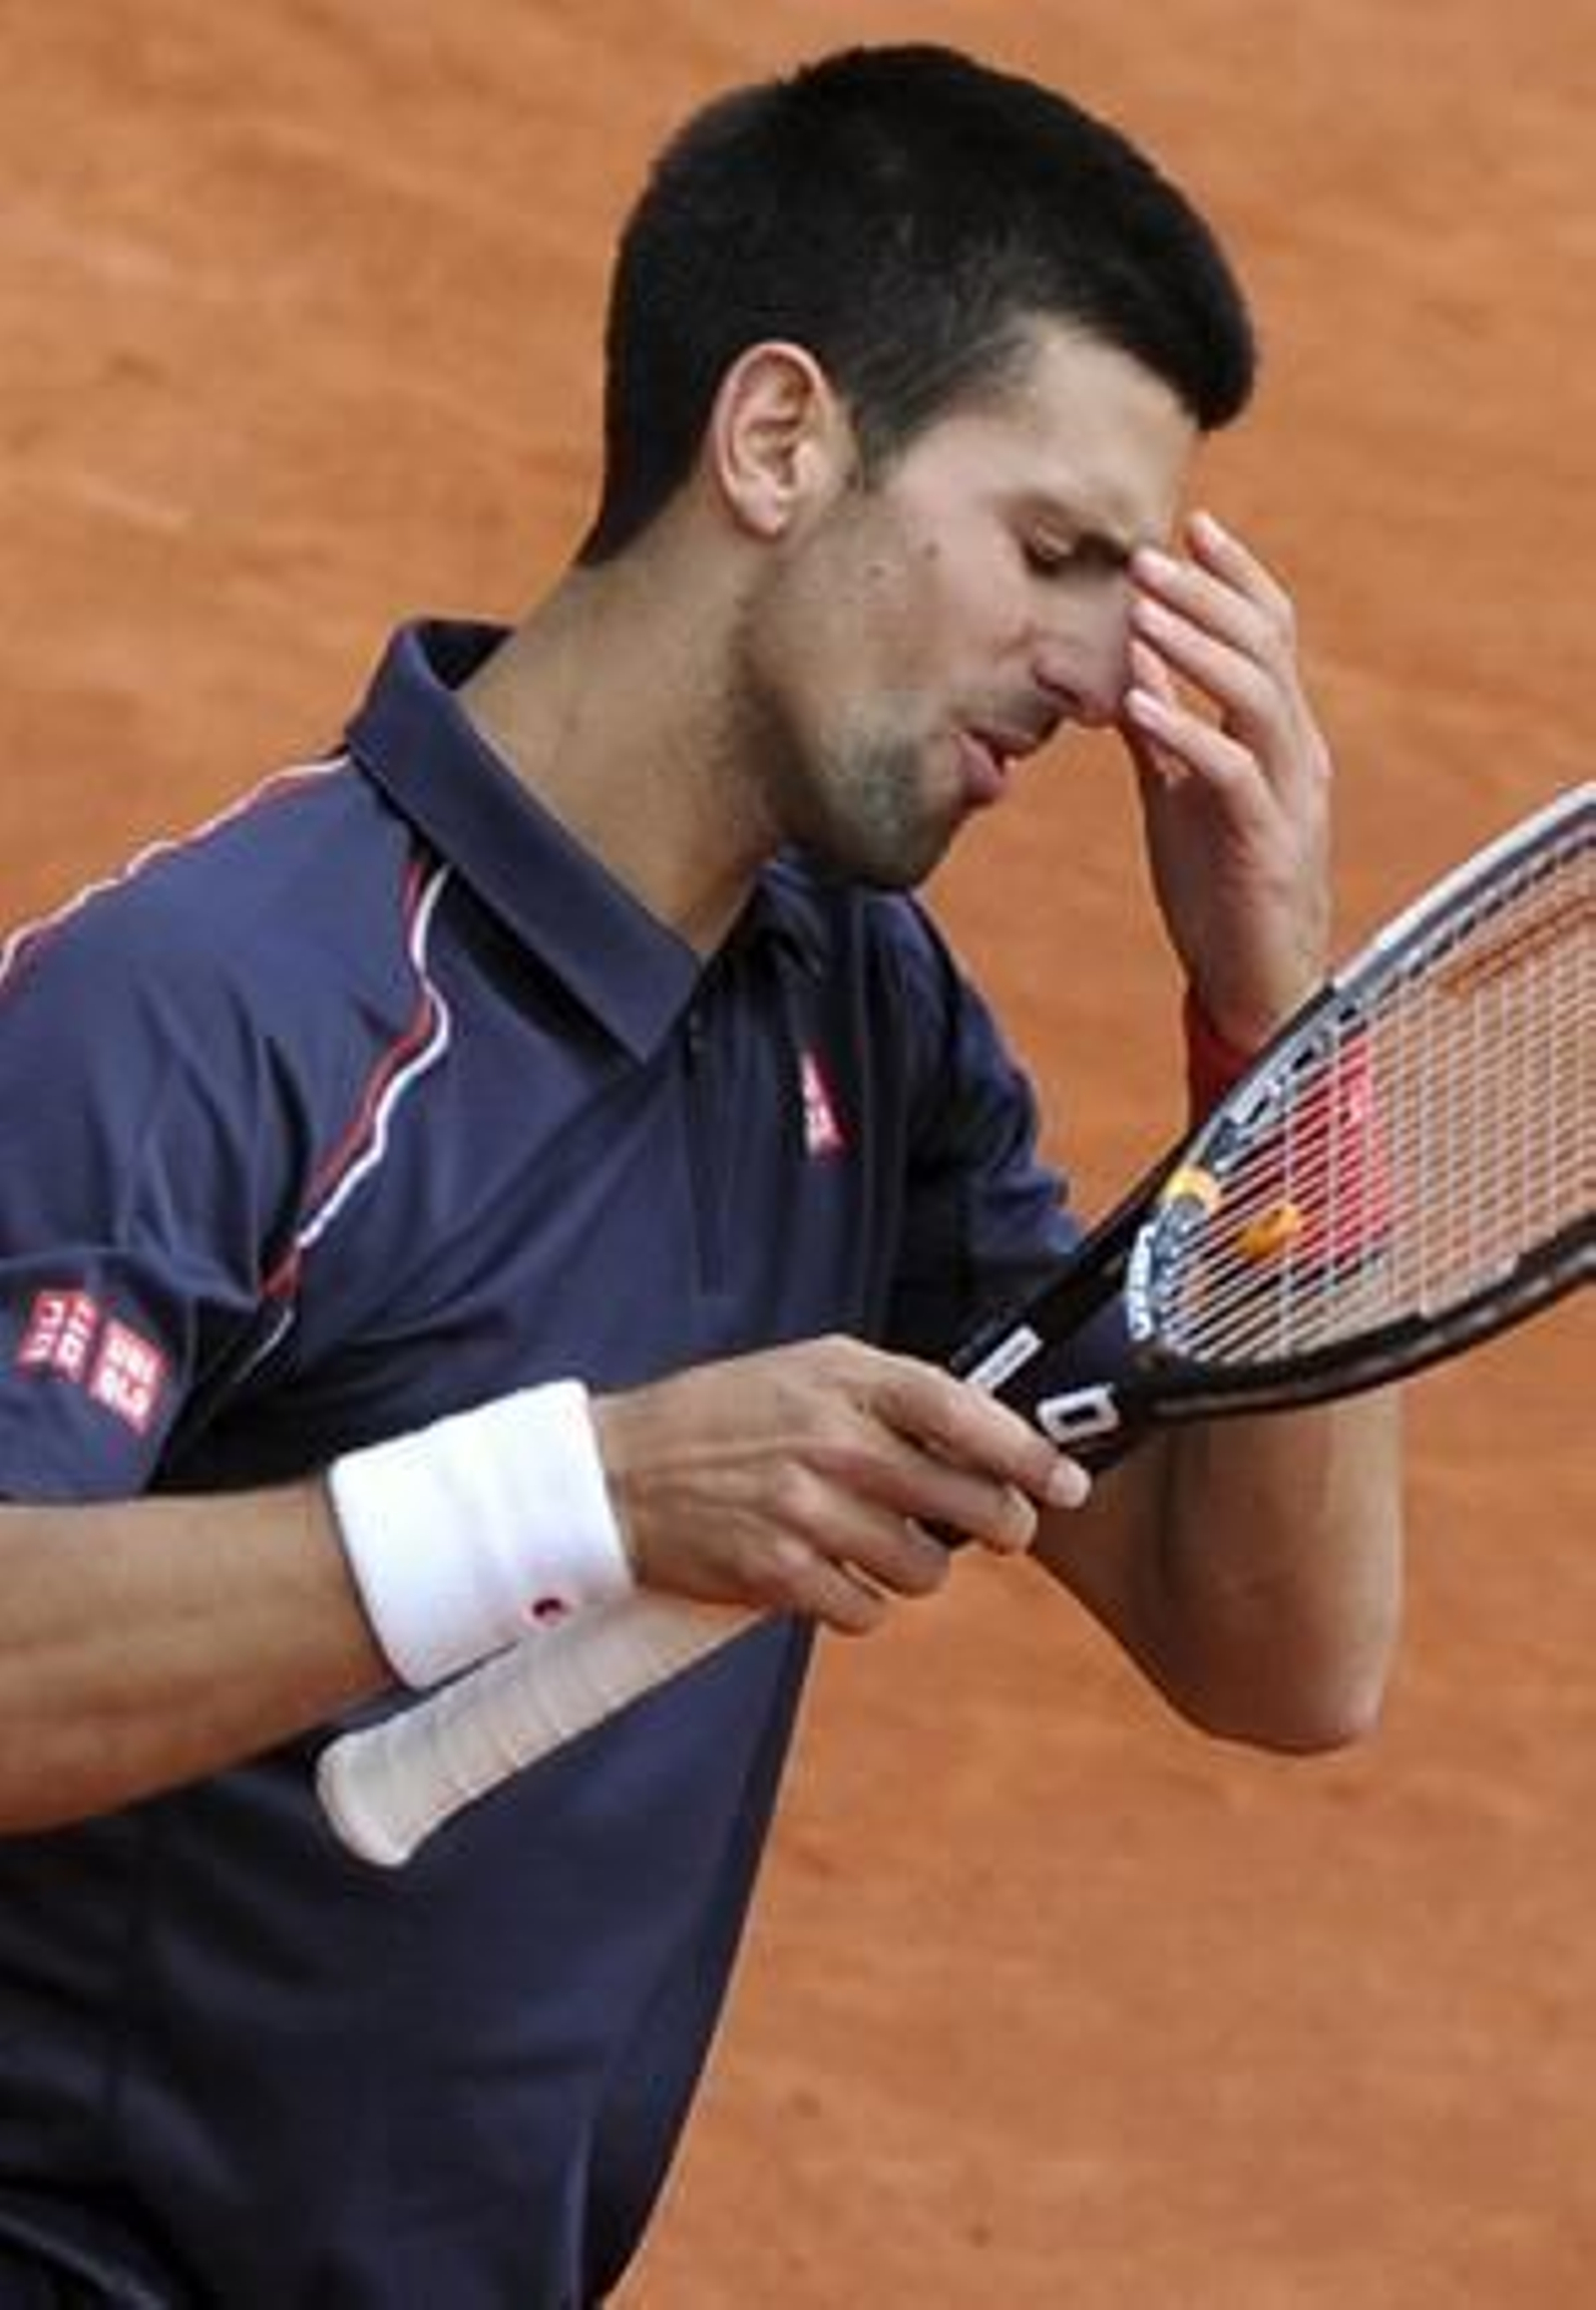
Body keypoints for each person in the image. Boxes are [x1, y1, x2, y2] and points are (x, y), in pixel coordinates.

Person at [0, 40, 1402, 2307]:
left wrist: (1277, 1027)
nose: (1092, 674)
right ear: (776, 440)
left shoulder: (864, 1016)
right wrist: (593, 1500)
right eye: (1051, 555)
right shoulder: (215, 1009)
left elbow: (1270, 1649)